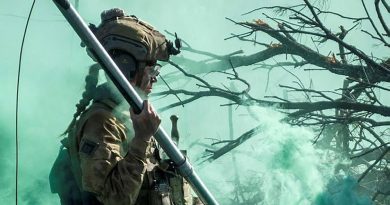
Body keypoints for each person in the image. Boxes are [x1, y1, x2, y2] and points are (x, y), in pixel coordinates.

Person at [50, 8, 194, 205]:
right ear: (126, 67)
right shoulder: (101, 122)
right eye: (152, 69)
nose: (154, 79)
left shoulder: (132, 117)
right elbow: (116, 199)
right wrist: (142, 139)